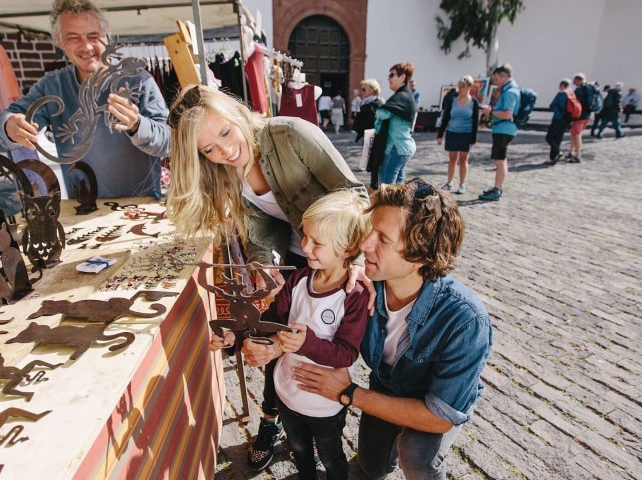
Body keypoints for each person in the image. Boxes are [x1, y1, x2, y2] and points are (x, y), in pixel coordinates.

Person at [165, 84, 371, 471]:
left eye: (225, 133)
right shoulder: (223, 173)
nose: (224, 152)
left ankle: (353, 425)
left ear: (236, 113)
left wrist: (355, 258)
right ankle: (273, 419)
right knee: (279, 335)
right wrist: (266, 267)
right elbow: (259, 229)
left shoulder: (290, 133)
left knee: (340, 337)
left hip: (334, 253)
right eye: (208, 149)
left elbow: (354, 193)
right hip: (297, 259)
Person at [280, 181, 493, 480]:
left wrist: (348, 393)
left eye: (383, 239)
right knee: (370, 466)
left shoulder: (465, 320)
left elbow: (440, 416)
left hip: (432, 402)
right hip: (386, 384)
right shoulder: (363, 285)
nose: (366, 244)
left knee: (417, 455)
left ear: (420, 252)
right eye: (371, 230)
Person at [214, 190, 371, 479]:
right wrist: (236, 337)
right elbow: (272, 319)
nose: (305, 246)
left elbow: (347, 352)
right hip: (285, 392)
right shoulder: (299, 279)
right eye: (305, 236)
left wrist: (306, 343)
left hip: (325, 404)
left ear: (348, 248)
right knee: (300, 450)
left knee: (332, 456)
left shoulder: (354, 296)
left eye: (317, 242)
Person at [0, 0, 171, 199]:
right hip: (83, 210)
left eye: (93, 36)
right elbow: (4, 121)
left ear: (107, 37)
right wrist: (9, 126)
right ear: (59, 41)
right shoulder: (51, 86)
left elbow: (169, 141)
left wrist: (138, 125)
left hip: (141, 207)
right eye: (74, 37)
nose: (86, 46)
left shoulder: (138, 80)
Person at [368, 63, 417, 189]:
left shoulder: (402, 96)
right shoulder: (404, 95)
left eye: (391, 75)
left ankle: (387, 208)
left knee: (386, 189)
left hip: (396, 148)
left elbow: (382, 113)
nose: (388, 78)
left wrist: (376, 109)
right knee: (399, 188)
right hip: (402, 148)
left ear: (402, 77)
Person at [479, 63, 520, 201]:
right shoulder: (509, 90)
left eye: (496, 79)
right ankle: (498, 187)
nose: (495, 83)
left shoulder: (510, 92)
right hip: (503, 129)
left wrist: (490, 112)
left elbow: (508, 114)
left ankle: (497, 190)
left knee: (500, 161)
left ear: (504, 76)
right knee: (501, 160)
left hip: (504, 129)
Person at [436, 75, 479, 194]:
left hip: (466, 133)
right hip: (452, 132)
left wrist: (473, 138)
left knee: (464, 159)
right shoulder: (452, 100)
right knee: (452, 158)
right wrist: (440, 134)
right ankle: (449, 181)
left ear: (469, 87)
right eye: (459, 87)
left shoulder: (474, 102)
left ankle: (462, 184)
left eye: (463, 87)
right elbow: (446, 118)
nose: (460, 89)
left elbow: (475, 121)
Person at [544, 78, 573, 165]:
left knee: (549, 137)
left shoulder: (561, 94)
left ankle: (558, 152)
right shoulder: (572, 93)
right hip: (567, 119)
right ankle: (553, 158)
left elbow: (552, 105)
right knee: (558, 138)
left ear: (562, 85)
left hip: (558, 118)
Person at [567, 73, 592, 163]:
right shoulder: (588, 88)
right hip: (586, 116)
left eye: (575, 81)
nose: (574, 82)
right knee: (573, 133)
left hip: (580, 116)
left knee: (577, 135)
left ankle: (578, 156)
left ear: (579, 80)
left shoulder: (580, 89)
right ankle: (572, 152)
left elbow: (576, 103)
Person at [352, 79, 384, 143]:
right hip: (366, 135)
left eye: (364, 90)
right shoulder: (365, 102)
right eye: (362, 89)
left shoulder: (377, 103)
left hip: (374, 137)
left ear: (372, 90)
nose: (362, 92)